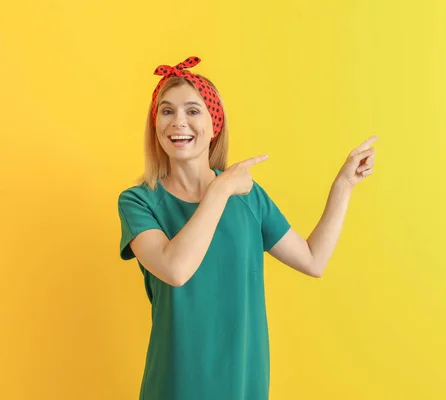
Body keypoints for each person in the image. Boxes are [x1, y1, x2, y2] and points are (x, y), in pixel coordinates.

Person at [117, 56, 378, 400]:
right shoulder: (139, 202)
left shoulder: (250, 197)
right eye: (166, 111)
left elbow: (313, 260)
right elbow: (176, 269)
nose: (178, 122)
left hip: (244, 384)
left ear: (215, 124)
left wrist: (344, 184)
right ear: (155, 125)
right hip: (176, 385)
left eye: (193, 111)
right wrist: (221, 188)